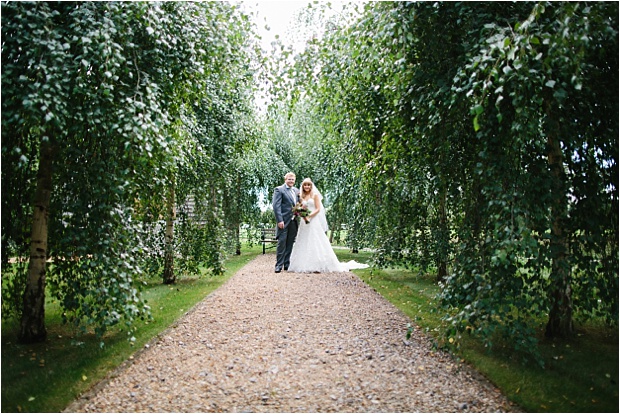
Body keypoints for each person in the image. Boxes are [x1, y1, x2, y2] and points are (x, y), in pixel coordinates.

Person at [288, 178, 369, 273]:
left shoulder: (315, 195)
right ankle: (301, 264)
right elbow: (300, 207)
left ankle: (317, 264)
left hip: (313, 220)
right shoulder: (301, 196)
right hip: (304, 222)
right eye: (305, 185)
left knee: (315, 240)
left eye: (308, 185)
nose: (307, 187)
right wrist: (301, 213)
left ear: (311, 186)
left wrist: (309, 216)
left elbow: (318, 209)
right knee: (303, 240)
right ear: (302, 186)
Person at [272, 172, 300, 273]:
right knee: (282, 243)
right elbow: (276, 206)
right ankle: (278, 265)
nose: (291, 181)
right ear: (285, 179)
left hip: (293, 221)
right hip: (283, 221)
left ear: (295, 180)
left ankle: (287, 264)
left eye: (292, 179)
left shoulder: (296, 191)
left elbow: (299, 204)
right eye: (289, 179)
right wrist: (279, 220)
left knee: (290, 243)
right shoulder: (279, 190)